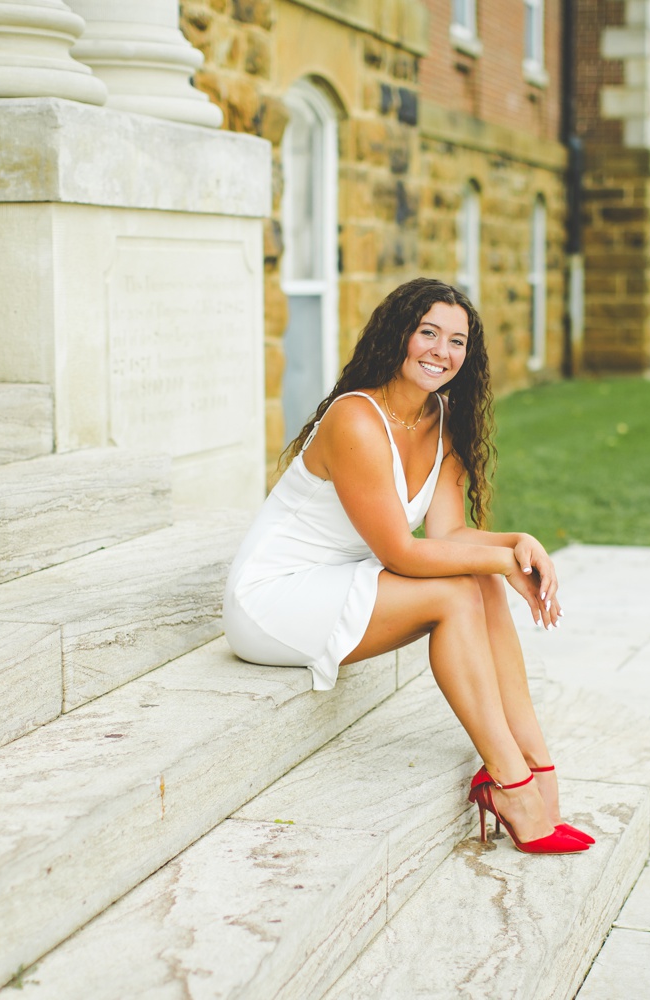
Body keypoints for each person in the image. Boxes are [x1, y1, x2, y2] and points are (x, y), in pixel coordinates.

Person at [224, 277, 591, 854]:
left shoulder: (439, 419)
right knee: (459, 590)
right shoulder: (356, 419)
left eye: (457, 341)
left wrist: (519, 542)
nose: (441, 352)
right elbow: (401, 551)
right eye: (427, 333)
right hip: (275, 597)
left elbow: (450, 535)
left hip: (343, 582)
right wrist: (500, 564)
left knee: (478, 578)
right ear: (398, 336)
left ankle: (538, 767)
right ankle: (510, 786)